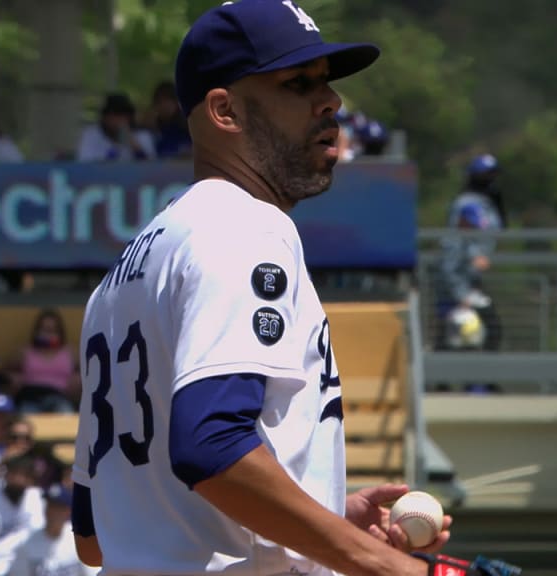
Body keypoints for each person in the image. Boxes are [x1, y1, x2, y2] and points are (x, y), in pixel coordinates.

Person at [70, 2, 459, 576]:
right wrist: (389, 566)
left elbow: (94, 534)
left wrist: (323, 517)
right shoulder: (244, 227)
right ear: (225, 110)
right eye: (298, 84)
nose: (331, 102)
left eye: (325, 83)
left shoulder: (124, 273)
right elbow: (211, 446)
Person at [437, 154, 506, 354]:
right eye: (485, 176)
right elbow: (458, 245)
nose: (490, 181)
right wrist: (461, 293)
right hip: (458, 283)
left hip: (471, 283)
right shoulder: (466, 204)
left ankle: (477, 384)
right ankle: (463, 383)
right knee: (463, 336)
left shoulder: (487, 203)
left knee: (466, 337)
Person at [9, 484, 98, 576]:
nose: (51, 512)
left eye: (57, 508)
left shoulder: (78, 539)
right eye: (50, 505)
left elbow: (91, 573)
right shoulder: (27, 543)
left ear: (68, 511)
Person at [8, 309, 79, 413]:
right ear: (37, 331)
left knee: (66, 415)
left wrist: (78, 377)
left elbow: (89, 371)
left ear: (60, 332)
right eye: (45, 330)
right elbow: (4, 370)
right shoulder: (25, 352)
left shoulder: (70, 352)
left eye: (52, 330)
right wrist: (14, 378)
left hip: (60, 397)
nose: (48, 334)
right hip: (31, 398)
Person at [76, 93, 156, 162]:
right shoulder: (91, 135)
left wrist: (135, 147)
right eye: (113, 115)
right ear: (105, 117)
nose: (118, 120)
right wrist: (117, 147)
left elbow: (151, 168)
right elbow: (86, 167)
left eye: (122, 115)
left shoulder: (142, 136)